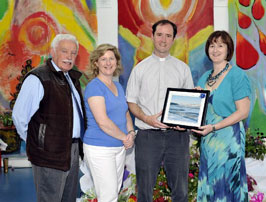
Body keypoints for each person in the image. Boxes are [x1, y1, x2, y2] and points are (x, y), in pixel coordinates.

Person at [126, 19, 194, 202]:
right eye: (159, 35)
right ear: (152, 36)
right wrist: (146, 118)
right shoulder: (139, 69)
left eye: (168, 36)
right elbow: (131, 102)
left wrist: (184, 123)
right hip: (148, 136)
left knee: (180, 191)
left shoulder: (183, 69)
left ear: (174, 39)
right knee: (145, 192)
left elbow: (189, 104)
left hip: (177, 137)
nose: (163, 40)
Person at [12, 34, 85, 202]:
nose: (69, 57)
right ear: (53, 52)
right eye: (64, 51)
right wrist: (38, 144)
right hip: (49, 155)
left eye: (73, 53)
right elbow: (19, 116)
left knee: (69, 199)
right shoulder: (38, 78)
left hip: (72, 151)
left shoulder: (72, 77)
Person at [192, 31, 251, 201]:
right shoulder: (203, 78)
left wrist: (214, 127)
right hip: (208, 142)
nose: (215, 49)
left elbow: (243, 112)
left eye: (220, 45)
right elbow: (199, 113)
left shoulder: (237, 75)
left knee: (226, 186)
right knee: (209, 184)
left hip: (228, 141)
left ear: (228, 49)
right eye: (212, 45)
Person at [83, 44, 135, 202]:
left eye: (111, 58)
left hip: (119, 147)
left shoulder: (117, 85)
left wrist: (131, 133)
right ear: (96, 63)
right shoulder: (94, 87)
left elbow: (125, 112)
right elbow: (103, 121)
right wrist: (124, 138)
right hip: (100, 148)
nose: (108, 62)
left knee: (113, 194)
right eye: (103, 59)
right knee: (108, 196)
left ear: (116, 62)